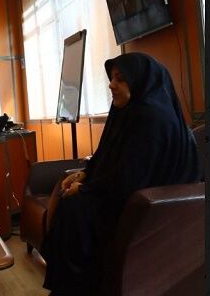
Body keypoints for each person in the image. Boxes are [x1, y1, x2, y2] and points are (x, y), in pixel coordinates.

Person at [41, 52, 200, 295]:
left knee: (75, 211)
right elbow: (108, 157)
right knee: (69, 202)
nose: (111, 84)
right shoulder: (128, 112)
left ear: (139, 81)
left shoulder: (153, 119)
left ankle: (76, 289)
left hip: (143, 209)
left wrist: (86, 189)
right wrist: (86, 174)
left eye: (120, 79)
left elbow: (131, 177)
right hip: (125, 194)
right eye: (112, 78)